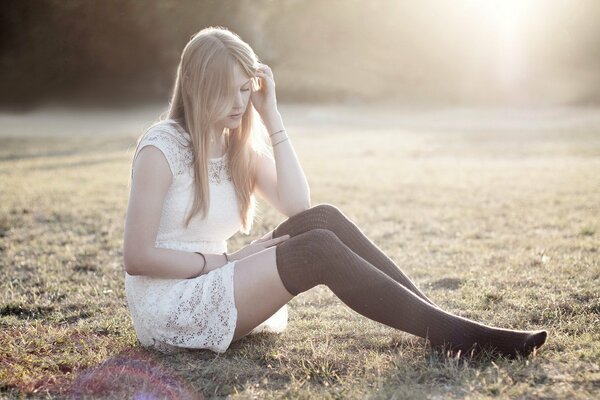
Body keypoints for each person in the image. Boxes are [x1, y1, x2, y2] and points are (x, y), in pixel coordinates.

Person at [123, 26, 547, 358]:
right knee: (317, 250)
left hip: (221, 275)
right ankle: (451, 333)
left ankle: (441, 323)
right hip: (171, 302)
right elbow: (137, 257)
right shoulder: (162, 148)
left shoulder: (236, 147)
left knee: (322, 219)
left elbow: (298, 208)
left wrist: (272, 117)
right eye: (227, 89)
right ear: (198, 87)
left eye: (244, 89)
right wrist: (225, 261)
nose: (239, 102)